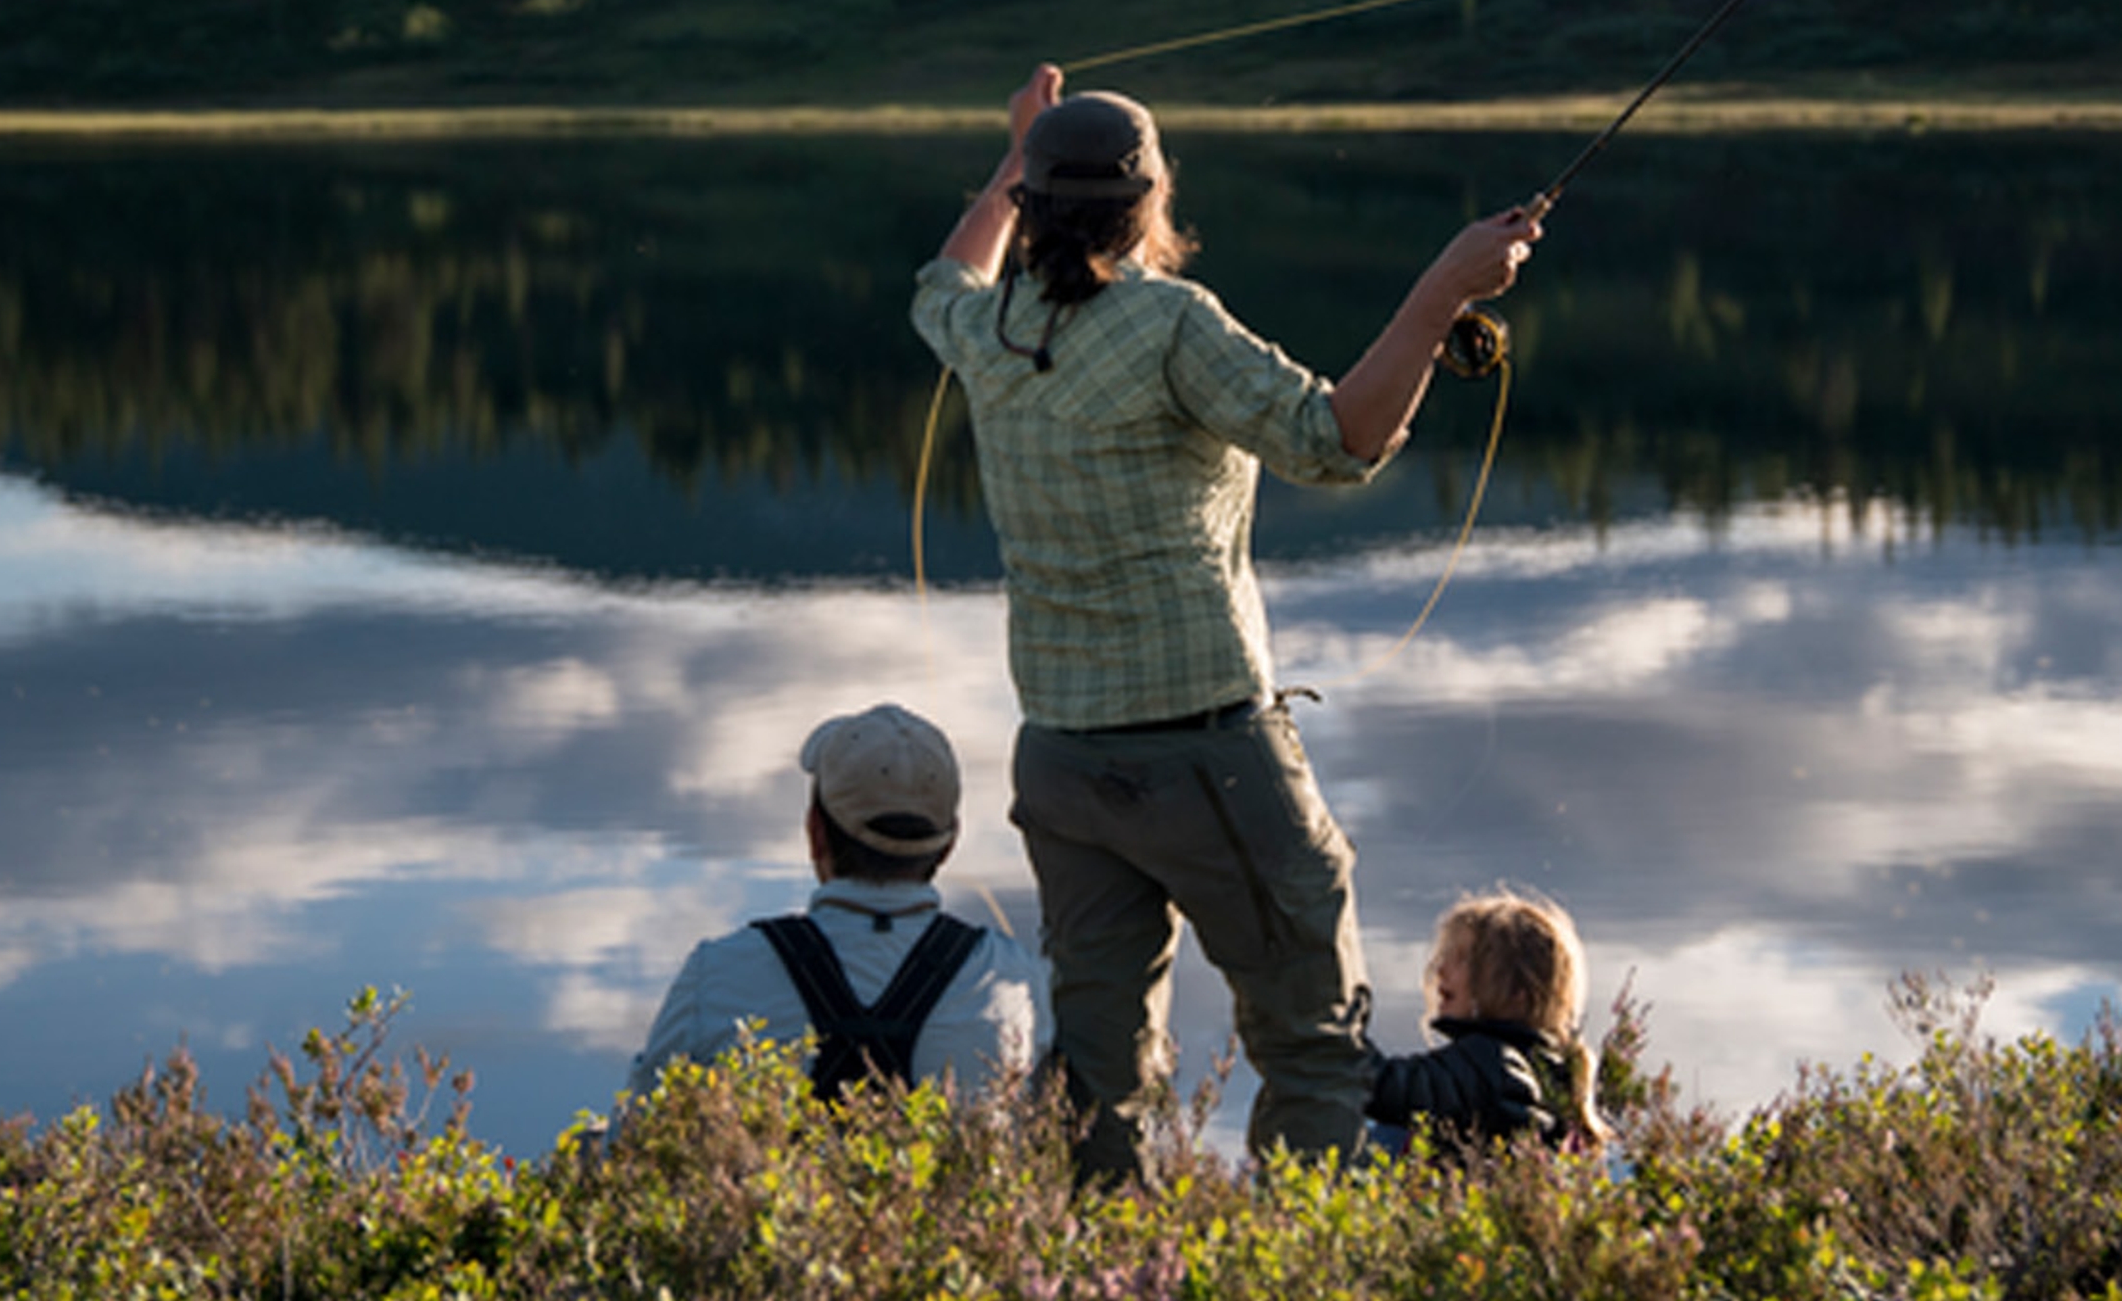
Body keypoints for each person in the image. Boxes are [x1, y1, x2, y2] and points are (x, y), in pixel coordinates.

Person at [912, 63, 1541, 1178]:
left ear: (1032, 209)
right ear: (1153, 198)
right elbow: (1338, 441)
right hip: (1209, 759)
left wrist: (1021, 151)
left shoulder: (990, 330)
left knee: (1097, 1070)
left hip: (1059, 762)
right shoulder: (1168, 323)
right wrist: (1444, 288)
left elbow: (942, 280)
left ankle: (1098, 1264)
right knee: (1312, 1053)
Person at [628, 703, 1050, 1100]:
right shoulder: (1017, 981)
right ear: (948, 845)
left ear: (815, 832)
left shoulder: (716, 972)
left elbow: (629, 1145)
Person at [1367, 889, 1610, 1158]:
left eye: (1462, 959)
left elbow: (1380, 1086)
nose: (1440, 970)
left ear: (1515, 991)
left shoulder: (1489, 1065)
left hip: (1446, 1197)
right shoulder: (1548, 1066)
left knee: (1389, 1130)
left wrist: (1331, 1029)